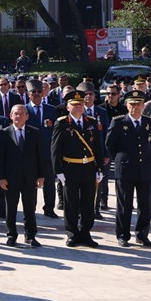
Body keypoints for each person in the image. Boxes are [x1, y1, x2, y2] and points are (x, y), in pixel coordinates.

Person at [51, 92, 105, 248]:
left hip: (88, 167)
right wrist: (58, 171)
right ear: (68, 107)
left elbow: (97, 147)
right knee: (71, 203)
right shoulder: (62, 123)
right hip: (70, 168)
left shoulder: (91, 123)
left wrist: (99, 167)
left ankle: (85, 233)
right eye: (75, 104)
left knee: (88, 203)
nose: (79, 107)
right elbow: (55, 149)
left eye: (81, 104)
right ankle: (72, 234)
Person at [106, 90, 151, 248]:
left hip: (145, 169)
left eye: (138, 104)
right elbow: (110, 144)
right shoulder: (119, 121)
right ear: (127, 105)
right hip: (126, 169)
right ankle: (123, 235)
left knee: (145, 205)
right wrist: (121, 159)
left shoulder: (149, 122)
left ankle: (142, 235)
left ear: (143, 106)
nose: (135, 107)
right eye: (132, 104)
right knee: (124, 205)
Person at [0, 104, 47, 247]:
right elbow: (1, 158)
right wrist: (1, 177)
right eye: (15, 114)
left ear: (27, 116)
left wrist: (41, 176)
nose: (18, 116)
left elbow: (40, 156)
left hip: (30, 178)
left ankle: (30, 235)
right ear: (11, 116)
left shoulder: (35, 133)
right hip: (10, 178)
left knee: (29, 208)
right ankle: (11, 235)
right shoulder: (4, 133)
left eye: (21, 113)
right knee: (11, 208)